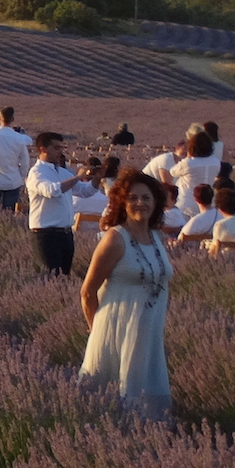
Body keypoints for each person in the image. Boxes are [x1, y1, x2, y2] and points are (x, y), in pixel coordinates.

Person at [79, 168, 174, 420]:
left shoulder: (155, 237)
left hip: (149, 331)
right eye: (132, 198)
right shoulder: (114, 239)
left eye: (146, 198)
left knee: (147, 393)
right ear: (122, 202)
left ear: (156, 203)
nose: (140, 203)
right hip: (116, 329)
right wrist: (96, 329)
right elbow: (87, 291)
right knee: (109, 405)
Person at [25, 132, 82, 276]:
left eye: (61, 148)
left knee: (64, 276)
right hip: (46, 235)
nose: (60, 152)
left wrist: (96, 178)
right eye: (56, 148)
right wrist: (78, 177)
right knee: (52, 277)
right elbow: (52, 191)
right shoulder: (36, 173)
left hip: (66, 233)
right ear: (43, 149)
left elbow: (84, 191)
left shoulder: (63, 172)